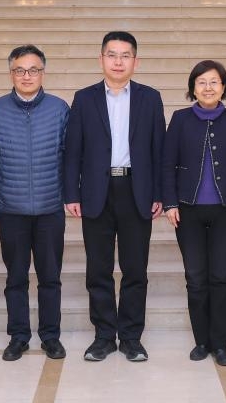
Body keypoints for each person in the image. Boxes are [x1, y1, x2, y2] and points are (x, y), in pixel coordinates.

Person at [64, 31, 165, 362]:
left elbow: (159, 150)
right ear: (101, 59)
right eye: (112, 54)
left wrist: (159, 192)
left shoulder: (150, 98)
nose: (118, 61)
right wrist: (71, 192)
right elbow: (73, 150)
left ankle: (132, 338)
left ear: (135, 61)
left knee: (135, 269)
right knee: (99, 269)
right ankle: (104, 336)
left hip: (137, 191)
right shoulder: (84, 99)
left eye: (125, 55)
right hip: (97, 192)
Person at [163, 60, 226, 367]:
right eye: (201, 82)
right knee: (195, 278)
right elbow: (167, 163)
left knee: (222, 278)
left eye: (214, 82)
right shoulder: (180, 119)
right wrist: (170, 203)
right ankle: (201, 341)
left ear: (224, 86)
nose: (208, 87)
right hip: (187, 211)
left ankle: (221, 343)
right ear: (193, 88)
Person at [0, 44, 69, 362]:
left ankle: (50, 336)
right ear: (11, 74)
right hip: (11, 209)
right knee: (16, 277)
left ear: (43, 73)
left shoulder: (59, 109)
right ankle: (18, 337)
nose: (27, 76)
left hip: (50, 208)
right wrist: (7, 183)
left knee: (50, 277)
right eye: (20, 70)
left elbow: (68, 153)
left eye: (33, 70)